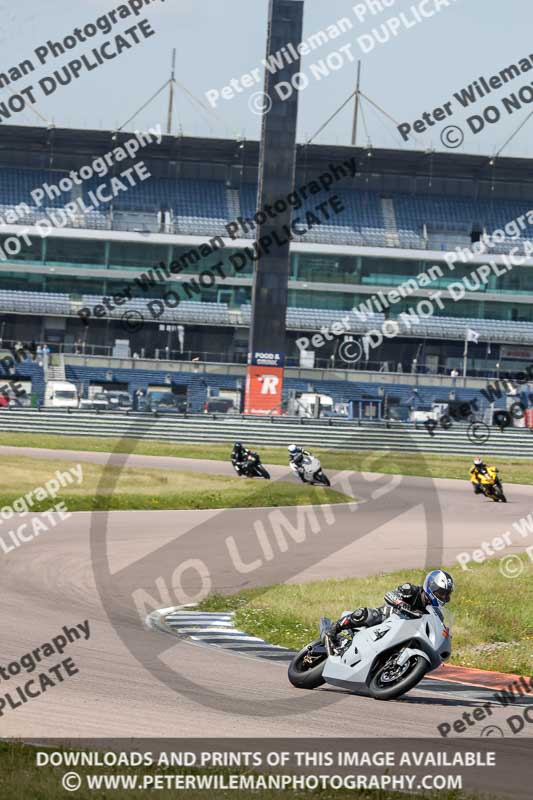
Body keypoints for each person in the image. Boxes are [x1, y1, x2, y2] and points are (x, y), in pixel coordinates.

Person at [326, 570, 455, 653]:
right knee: (369, 615)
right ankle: (334, 628)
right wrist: (401, 604)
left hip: (406, 632)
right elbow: (390, 594)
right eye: (441, 593)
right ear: (431, 587)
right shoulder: (412, 590)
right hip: (390, 617)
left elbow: (438, 627)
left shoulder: (436, 613)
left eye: (446, 594)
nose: (444, 597)